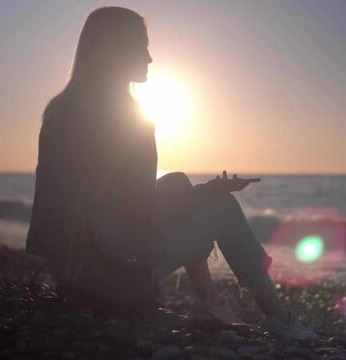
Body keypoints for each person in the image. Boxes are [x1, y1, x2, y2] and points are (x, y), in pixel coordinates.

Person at [26, 6, 316, 340]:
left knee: (177, 181)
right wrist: (207, 199)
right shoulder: (127, 115)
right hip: (112, 278)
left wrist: (200, 192)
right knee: (223, 209)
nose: (149, 58)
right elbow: (138, 211)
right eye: (141, 45)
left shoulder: (61, 108)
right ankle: (282, 319)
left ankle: (210, 302)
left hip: (71, 272)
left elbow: (88, 204)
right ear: (115, 50)